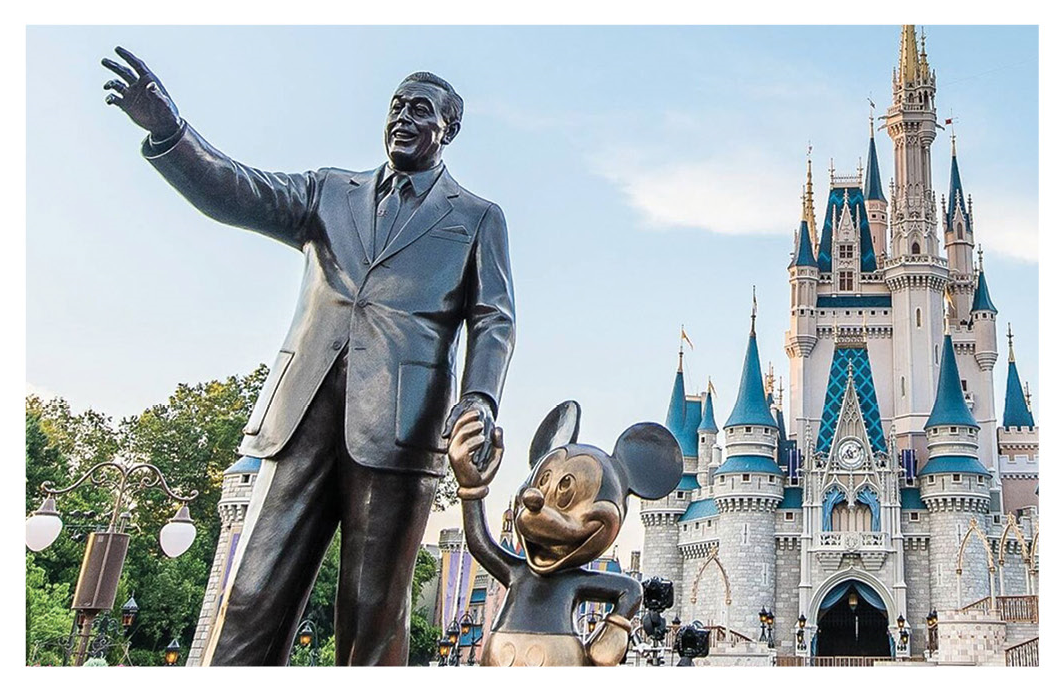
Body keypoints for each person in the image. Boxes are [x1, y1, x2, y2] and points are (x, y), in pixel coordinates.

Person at [101, 47, 515, 666]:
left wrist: (478, 398)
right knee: (251, 597)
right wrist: (171, 133)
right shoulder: (329, 192)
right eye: (397, 106)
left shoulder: (477, 217)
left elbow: (494, 317)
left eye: (420, 110)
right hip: (301, 415)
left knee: (373, 615)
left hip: (401, 428)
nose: (402, 118)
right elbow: (238, 191)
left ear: (447, 130)